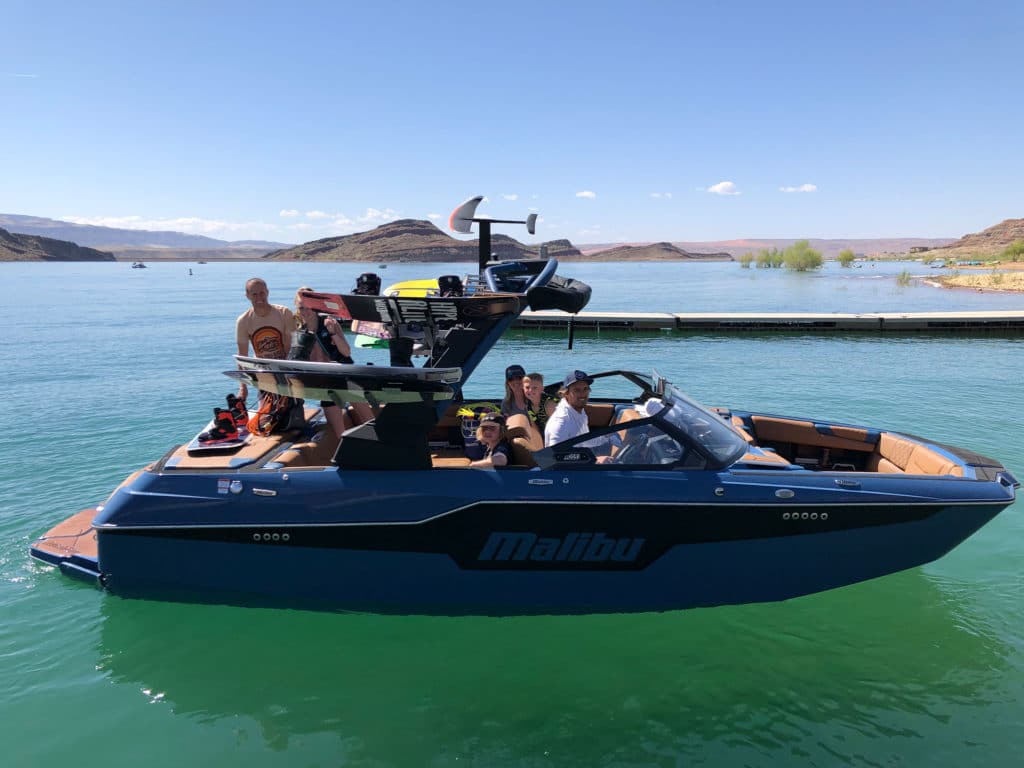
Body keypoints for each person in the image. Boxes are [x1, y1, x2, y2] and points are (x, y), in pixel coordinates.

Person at [294, 287, 374, 438]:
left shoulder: (328, 322)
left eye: (308, 307)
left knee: (369, 421)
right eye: (301, 308)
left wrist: (332, 333)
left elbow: (346, 352)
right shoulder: (299, 332)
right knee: (339, 432)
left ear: (315, 306)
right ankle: (348, 457)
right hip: (326, 381)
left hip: (345, 375)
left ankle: (380, 449)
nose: (305, 311)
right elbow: (298, 361)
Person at [235, 277, 294, 402]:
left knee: (292, 412)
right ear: (247, 296)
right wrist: (243, 388)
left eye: (261, 293)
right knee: (265, 416)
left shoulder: (284, 313)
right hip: (264, 376)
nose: (259, 297)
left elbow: (291, 348)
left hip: (287, 374)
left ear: (267, 292)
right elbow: (242, 356)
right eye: (254, 294)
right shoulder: (243, 321)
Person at [543, 370, 614, 461]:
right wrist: (595, 460)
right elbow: (554, 457)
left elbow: (583, 440)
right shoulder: (561, 420)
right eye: (577, 390)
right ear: (566, 394)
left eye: (585, 389)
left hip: (578, 458)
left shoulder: (579, 410)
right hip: (566, 470)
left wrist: (607, 438)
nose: (583, 394)